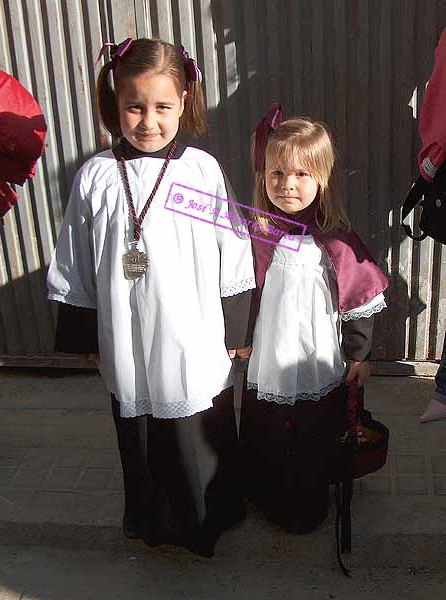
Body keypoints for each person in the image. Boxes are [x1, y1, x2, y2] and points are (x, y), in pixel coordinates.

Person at [47, 38, 255, 557]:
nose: (148, 121)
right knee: (140, 428)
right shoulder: (95, 176)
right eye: (134, 106)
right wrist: (81, 330)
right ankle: (152, 518)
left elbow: (232, 243)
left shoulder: (199, 171)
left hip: (192, 326)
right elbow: (74, 257)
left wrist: (235, 328)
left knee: (196, 427)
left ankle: (206, 519)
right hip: (127, 329)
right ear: (113, 104)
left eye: (162, 107)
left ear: (184, 102)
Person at [239, 108, 389, 534]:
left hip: (317, 353)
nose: (287, 184)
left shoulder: (336, 239)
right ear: (263, 174)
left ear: (322, 178)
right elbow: (244, 291)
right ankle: (264, 490)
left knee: (311, 429)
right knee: (268, 426)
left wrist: (359, 354)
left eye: (302, 174)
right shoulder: (256, 231)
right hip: (269, 353)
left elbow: (359, 298)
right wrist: (241, 338)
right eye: (277, 172)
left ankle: (304, 500)